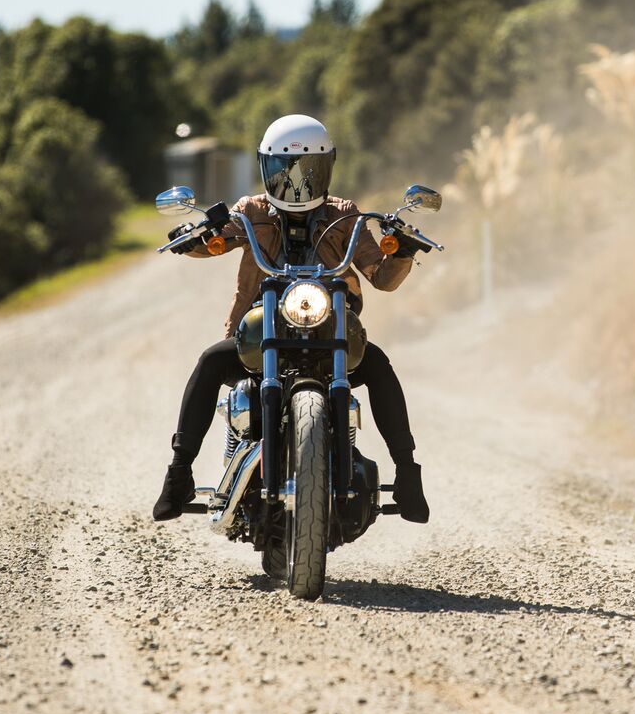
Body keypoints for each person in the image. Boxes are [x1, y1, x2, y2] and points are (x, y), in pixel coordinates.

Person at [151, 114, 429, 524]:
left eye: (309, 171)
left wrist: (402, 251)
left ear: (327, 168)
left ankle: (408, 475)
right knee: (211, 361)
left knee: (380, 365)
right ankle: (179, 473)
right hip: (261, 331)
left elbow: (381, 276)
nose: (297, 183)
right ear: (267, 167)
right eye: (284, 170)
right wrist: (193, 236)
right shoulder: (251, 211)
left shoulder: (345, 215)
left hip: (330, 329)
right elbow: (215, 241)